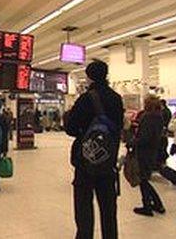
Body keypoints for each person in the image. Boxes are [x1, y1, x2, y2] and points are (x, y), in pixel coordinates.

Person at [65, 59, 123, 239]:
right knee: (108, 209)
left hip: (85, 160)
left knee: (84, 208)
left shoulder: (85, 99)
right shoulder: (116, 98)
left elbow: (71, 129)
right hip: (108, 159)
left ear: (89, 77)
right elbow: (118, 128)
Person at [133, 96, 165, 217]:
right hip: (153, 151)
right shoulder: (159, 117)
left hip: (144, 151)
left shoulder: (147, 117)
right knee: (144, 178)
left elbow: (144, 137)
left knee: (143, 179)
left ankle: (149, 205)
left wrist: (133, 141)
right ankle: (157, 204)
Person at [157, 100, 172, 168]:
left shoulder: (163, 112)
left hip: (162, 129)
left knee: (162, 143)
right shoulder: (167, 111)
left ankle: (162, 157)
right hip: (165, 129)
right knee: (164, 142)